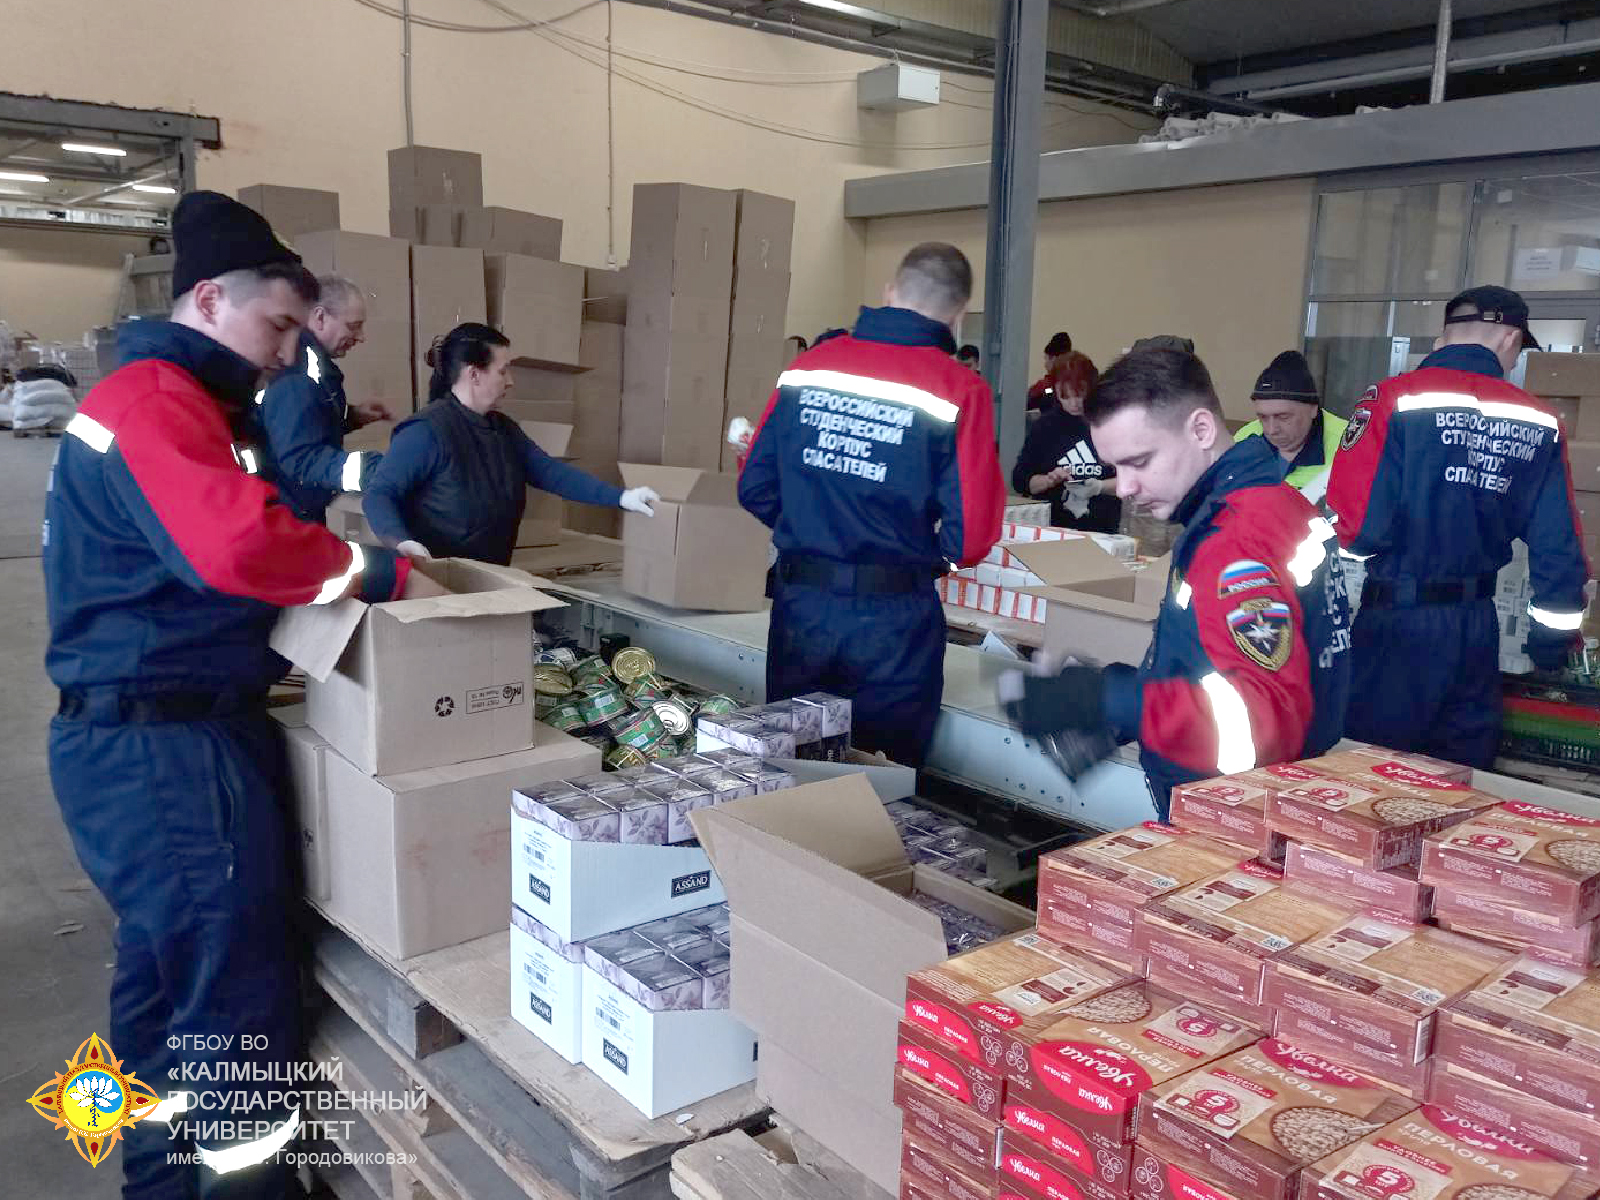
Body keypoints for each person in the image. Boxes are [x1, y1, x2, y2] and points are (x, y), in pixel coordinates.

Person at [43, 191, 415, 1199]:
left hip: (147, 733)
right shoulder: (156, 402)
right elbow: (237, 545)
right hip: (166, 753)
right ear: (209, 299)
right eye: (278, 327)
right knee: (233, 998)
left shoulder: (182, 402)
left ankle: (157, 1181)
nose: (288, 353)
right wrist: (376, 573)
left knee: (165, 982)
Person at [1000, 348, 1352, 818]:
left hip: (1231, 813)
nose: (1125, 488)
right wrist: (1120, 700)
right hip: (1240, 800)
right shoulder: (1266, 505)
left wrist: (1117, 702)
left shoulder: (1236, 539)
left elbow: (1261, 728)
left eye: (1140, 461)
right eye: (1117, 467)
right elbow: (1215, 666)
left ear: (1201, 430)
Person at [738, 242, 1005, 767]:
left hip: (801, 606)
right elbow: (970, 538)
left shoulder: (810, 368)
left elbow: (755, 486)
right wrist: (929, 557)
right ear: (958, 313)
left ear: (889, 291)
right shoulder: (959, 390)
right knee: (884, 780)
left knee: (793, 766)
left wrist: (810, 529)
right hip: (893, 620)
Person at [1327, 285, 1588, 768]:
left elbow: (1359, 529)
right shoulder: (1539, 420)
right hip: (1477, 626)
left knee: (1371, 773)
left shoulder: (1393, 398)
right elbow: (1558, 545)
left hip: (1397, 624)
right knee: (1460, 777)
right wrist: (1550, 643)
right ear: (1510, 339)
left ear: (1444, 335)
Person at [364, 322, 658, 564]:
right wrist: (402, 542)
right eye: (503, 370)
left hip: (491, 575)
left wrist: (622, 497)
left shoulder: (504, 430)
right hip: (438, 580)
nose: (511, 381)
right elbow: (379, 495)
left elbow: (550, 472)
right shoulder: (425, 432)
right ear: (474, 375)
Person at [258, 274, 394, 522]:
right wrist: (380, 469)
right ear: (320, 317)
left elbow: (306, 422)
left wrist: (354, 416)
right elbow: (301, 459)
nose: (361, 337)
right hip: (289, 514)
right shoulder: (298, 373)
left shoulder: (314, 368)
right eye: (353, 326)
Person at [1011, 352, 1120, 533]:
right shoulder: (1045, 427)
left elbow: (1132, 479)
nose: (1074, 403)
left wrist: (1099, 486)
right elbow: (1021, 481)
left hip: (1103, 528)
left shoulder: (1109, 423)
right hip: (1054, 528)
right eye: (1065, 397)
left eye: (1079, 395)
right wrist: (1049, 480)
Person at [1234, 350, 1348, 503]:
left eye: (1283, 417)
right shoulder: (1244, 438)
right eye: (1263, 417)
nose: (1271, 430)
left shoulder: (1348, 446)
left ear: (1313, 409)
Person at [1027, 331, 1095, 414]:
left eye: (1047, 359)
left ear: (1054, 358)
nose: (1074, 403)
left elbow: (1029, 402)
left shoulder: (1047, 387)